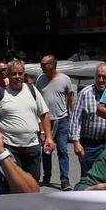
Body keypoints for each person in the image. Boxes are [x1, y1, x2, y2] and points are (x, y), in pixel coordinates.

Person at [0, 60, 52, 182]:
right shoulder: (0, 93)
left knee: (33, 183)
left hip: (32, 146)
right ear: (8, 75)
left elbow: (44, 114)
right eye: (14, 74)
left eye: (20, 73)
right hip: (9, 147)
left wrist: (48, 137)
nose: (17, 77)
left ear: (23, 74)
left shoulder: (32, 90)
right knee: (13, 183)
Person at [35, 55, 75, 190]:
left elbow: (71, 100)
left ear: (53, 65)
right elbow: (37, 102)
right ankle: (47, 177)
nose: (42, 67)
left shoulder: (65, 80)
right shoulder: (40, 80)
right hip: (45, 121)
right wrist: (40, 127)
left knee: (63, 150)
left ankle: (65, 180)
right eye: (41, 65)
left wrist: (73, 119)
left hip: (62, 120)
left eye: (44, 65)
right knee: (46, 151)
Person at [70, 62, 106, 177]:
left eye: (104, 77)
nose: (100, 80)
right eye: (98, 76)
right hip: (90, 145)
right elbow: (76, 119)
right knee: (89, 178)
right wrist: (76, 142)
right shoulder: (85, 93)